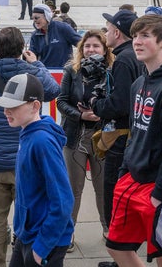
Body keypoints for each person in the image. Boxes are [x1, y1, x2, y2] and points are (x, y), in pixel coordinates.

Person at [104, 14, 162, 267]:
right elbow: (135, 134)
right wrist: (124, 172)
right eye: (136, 36)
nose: (137, 42)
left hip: (159, 188)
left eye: (145, 36)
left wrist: (160, 193)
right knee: (116, 247)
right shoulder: (139, 83)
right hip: (131, 179)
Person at [0, 27, 61, 267]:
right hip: (24, 159)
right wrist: (39, 64)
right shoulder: (33, 74)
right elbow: (54, 91)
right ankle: (22, 254)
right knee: (27, 215)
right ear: (22, 49)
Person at [0, 72, 74, 267]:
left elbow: (63, 200)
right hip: (28, 233)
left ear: (35, 106)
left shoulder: (42, 141)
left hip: (44, 240)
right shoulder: (27, 132)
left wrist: (41, 248)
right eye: (5, 105)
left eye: (13, 106)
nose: (6, 111)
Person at [56, 31, 113, 241]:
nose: (91, 50)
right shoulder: (72, 70)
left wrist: (101, 113)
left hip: (103, 138)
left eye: (96, 46)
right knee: (73, 189)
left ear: (105, 49)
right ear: (81, 49)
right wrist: (80, 114)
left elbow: (118, 103)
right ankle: (67, 232)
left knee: (103, 188)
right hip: (74, 137)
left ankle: (107, 228)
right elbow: (60, 101)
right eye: (87, 46)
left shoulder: (112, 71)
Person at [90, 8, 142, 234]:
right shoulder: (136, 55)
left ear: (118, 33)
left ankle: (119, 247)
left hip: (121, 136)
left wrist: (96, 104)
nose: (106, 32)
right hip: (134, 135)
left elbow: (120, 103)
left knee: (114, 192)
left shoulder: (123, 59)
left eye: (109, 29)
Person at [28, 4, 83, 69]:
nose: (34, 20)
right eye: (33, 18)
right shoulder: (35, 35)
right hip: (46, 74)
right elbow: (32, 56)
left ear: (47, 16)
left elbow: (82, 44)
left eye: (36, 18)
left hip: (64, 72)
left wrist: (79, 62)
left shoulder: (63, 28)